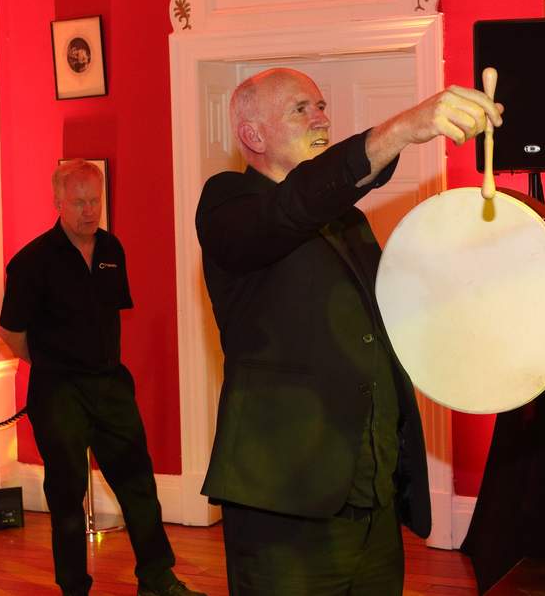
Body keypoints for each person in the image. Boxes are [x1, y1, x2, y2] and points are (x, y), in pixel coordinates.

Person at [195, 67, 503, 595]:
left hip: (371, 492)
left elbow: (382, 321)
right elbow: (293, 206)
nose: (321, 119)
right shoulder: (228, 204)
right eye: (301, 110)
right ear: (253, 136)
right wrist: (405, 128)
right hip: (286, 499)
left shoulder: (346, 221)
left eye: (321, 107)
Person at [0, 160, 206, 596]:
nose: (89, 210)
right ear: (57, 202)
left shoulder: (112, 250)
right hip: (59, 391)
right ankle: (74, 586)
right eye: (78, 202)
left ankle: (156, 577)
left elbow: (110, 317)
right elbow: (10, 334)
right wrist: (53, 363)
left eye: (95, 201)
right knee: (68, 493)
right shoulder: (32, 262)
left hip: (111, 383)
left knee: (138, 482)